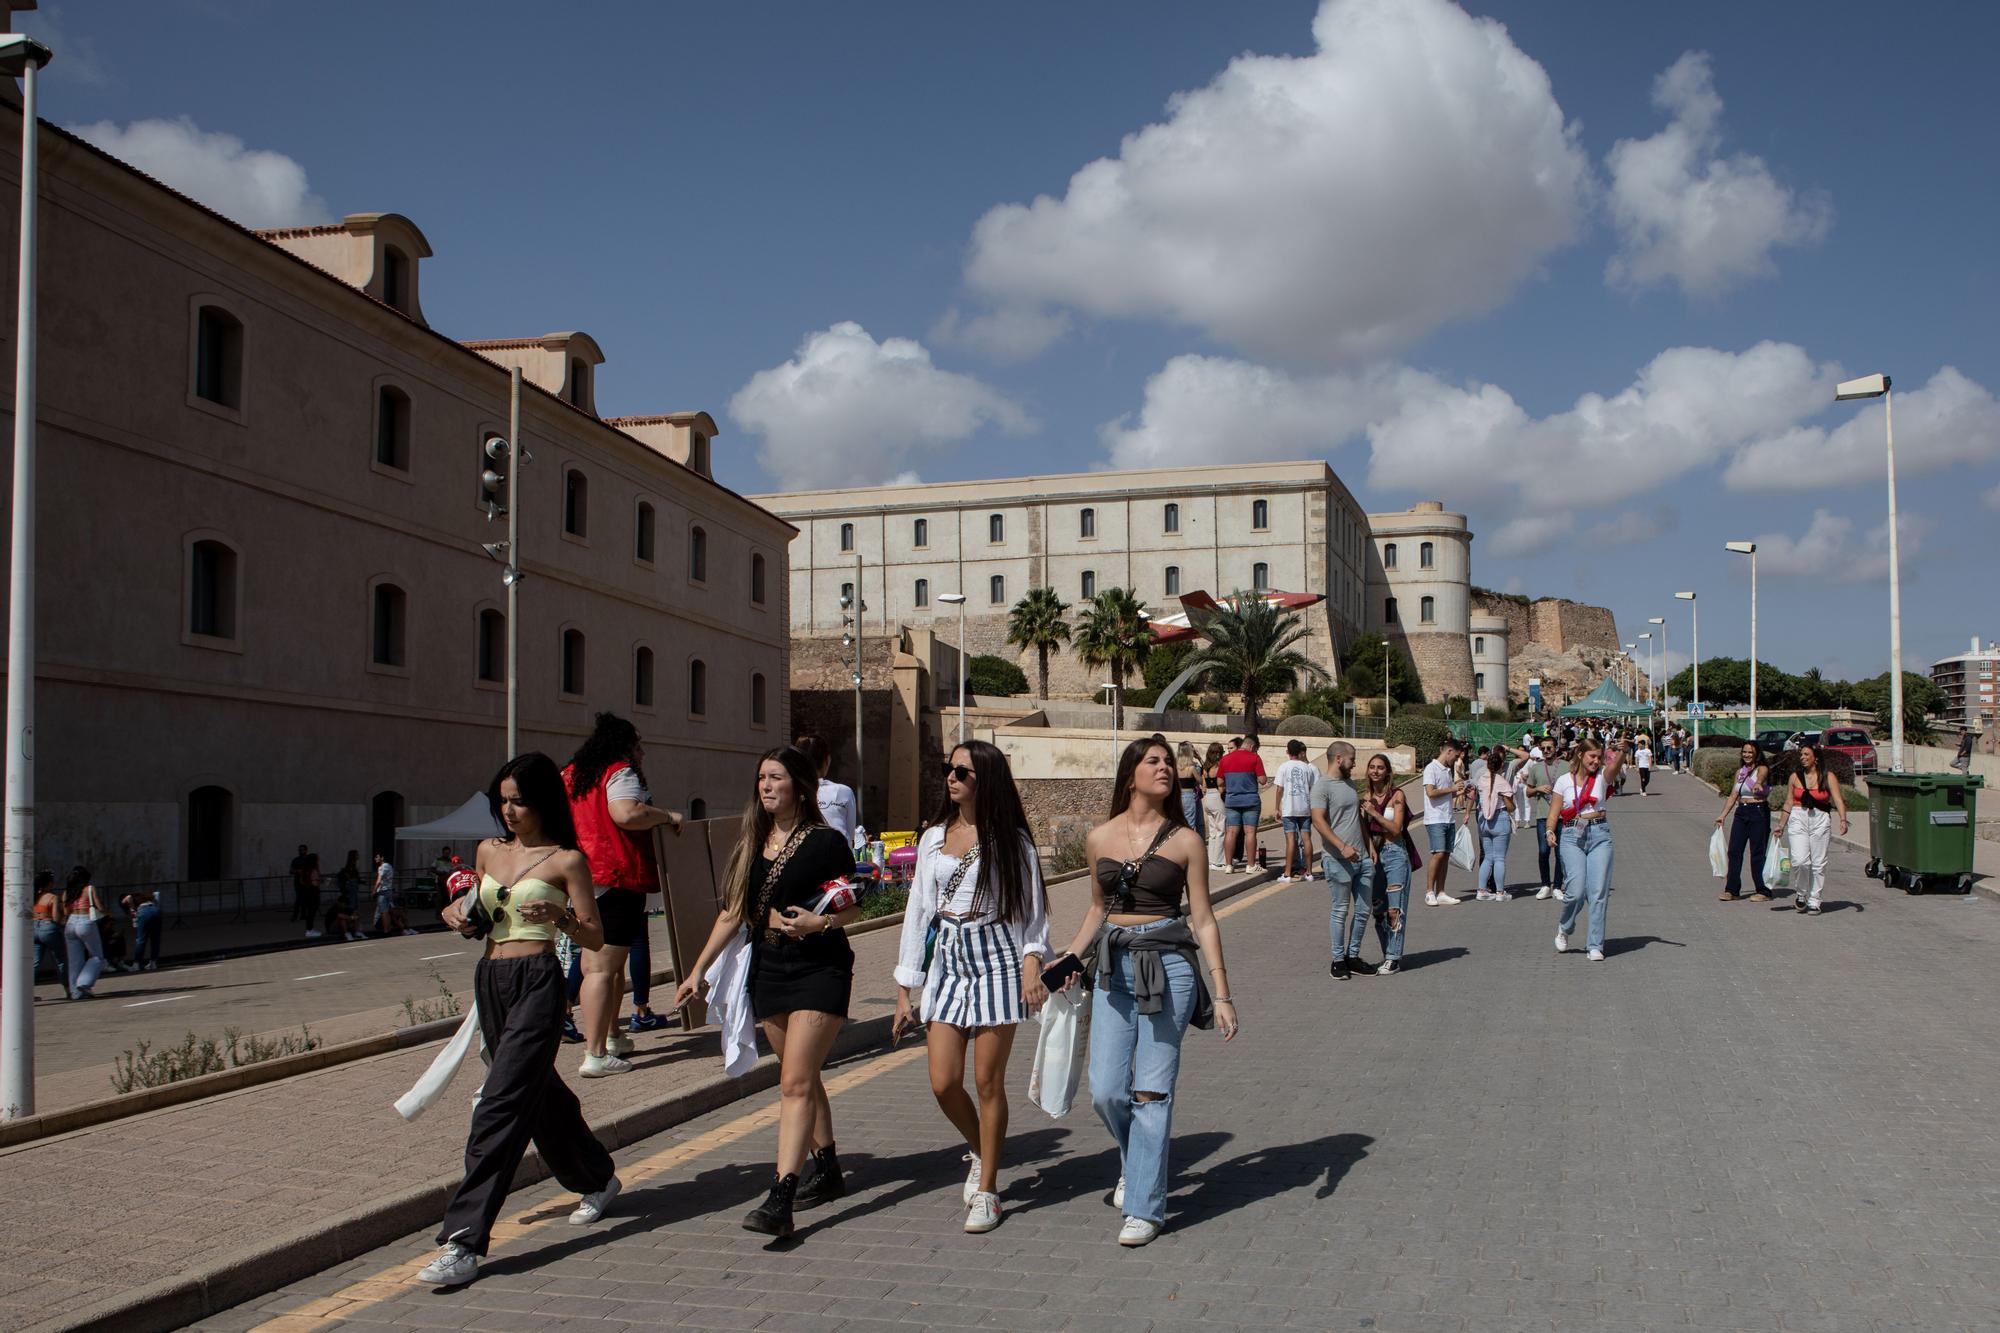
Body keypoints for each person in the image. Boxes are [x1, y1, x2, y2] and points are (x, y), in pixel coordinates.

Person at [417, 752, 620, 1289]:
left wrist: (561, 917)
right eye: (501, 800)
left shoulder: (566, 860)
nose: (508, 811)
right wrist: (455, 914)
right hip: (491, 980)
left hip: (538, 979)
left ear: (542, 802)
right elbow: (478, 916)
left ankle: (462, 1242)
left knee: (500, 1101)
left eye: (519, 801)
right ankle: (597, 1176)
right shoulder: (487, 851)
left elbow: (595, 937)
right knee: (537, 1094)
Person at [1046, 737, 1237, 1246]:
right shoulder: (1098, 838)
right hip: (1113, 967)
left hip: (1168, 966)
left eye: (1169, 762)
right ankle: (1141, 1163)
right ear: (1130, 774)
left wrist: (1220, 992)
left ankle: (1146, 1207)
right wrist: (1069, 955)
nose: (1165, 768)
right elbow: (1096, 908)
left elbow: (1203, 918)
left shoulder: (1185, 841)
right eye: (1153, 761)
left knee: (1151, 1091)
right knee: (1106, 1090)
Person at [674, 746, 862, 1240]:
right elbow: (732, 912)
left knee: (794, 1084)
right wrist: (698, 970)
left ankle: (781, 1196)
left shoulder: (825, 841)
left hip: (820, 967)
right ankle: (829, 1167)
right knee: (801, 1076)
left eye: (775, 777)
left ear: (799, 784)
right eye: (761, 778)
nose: (766, 786)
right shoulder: (751, 841)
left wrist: (820, 922)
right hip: (771, 969)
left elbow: (854, 903)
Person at [892, 740, 1050, 1234]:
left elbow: (1033, 910)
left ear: (986, 779)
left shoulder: (1013, 841)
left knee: (986, 1082)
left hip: (998, 957)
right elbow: (918, 912)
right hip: (949, 960)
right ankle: (983, 1147)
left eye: (962, 770)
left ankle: (988, 1189)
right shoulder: (935, 836)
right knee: (942, 1082)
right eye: (948, 769)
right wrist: (905, 988)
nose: (951, 777)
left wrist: (1032, 962)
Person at [564, 713, 685, 1078]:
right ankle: (596, 1053)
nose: (642, 753)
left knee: (609, 966)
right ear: (623, 747)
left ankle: (613, 1035)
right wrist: (667, 816)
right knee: (600, 968)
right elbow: (626, 813)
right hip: (616, 876)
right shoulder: (619, 772)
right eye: (638, 745)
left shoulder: (570, 774)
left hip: (584, 876)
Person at [1547, 740, 1625, 961]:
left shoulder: (1601, 778)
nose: (1596, 761)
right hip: (1572, 837)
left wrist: (1622, 750)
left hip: (1600, 835)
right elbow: (1554, 812)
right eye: (1592, 756)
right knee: (1576, 891)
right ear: (1580, 755)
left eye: (1599, 757)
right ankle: (1565, 927)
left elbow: (1615, 767)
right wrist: (1550, 831)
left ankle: (1595, 944)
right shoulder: (1563, 781)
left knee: (1598, 892)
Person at [1310, 742, 1370, 979]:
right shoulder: (1321, 787)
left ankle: (1352, 956)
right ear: (1338, 758)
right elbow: (1318, 820)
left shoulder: (1349, 783)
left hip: (1362, 858)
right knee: (1340, 910)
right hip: (1337, 859)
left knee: (1364, 910)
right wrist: (1342, 846)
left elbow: (1356, 818)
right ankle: (1338, 960)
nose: (1355, 763)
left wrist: (1369, 848)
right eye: (1351, 758)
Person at [1776, 743, 1847, 915]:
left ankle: (1815, 900)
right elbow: (1788, 801)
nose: (1803, 757)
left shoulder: (1827, 777)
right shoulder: (1795, 777)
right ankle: (1801, 894)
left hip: (1820, 819)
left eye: (1807, 754)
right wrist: (1781, 825)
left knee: (1818, 863)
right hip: (1798, 818)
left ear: (1815, 757)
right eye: (1801, 754)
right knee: (1800, 861)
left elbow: (1838, 800)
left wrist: (1843, 820)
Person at [1715, 742, 1775, 902]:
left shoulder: (1762, 768)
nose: (1747, 755)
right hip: (1741, 812)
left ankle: (1763, 891)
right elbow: (1733, 796)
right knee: (1734, 851)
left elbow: (1761, 777)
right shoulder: (1740, 772)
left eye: (1750, 752)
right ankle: (1732, 890)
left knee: (1757, 853)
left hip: (1758, 812)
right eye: (1745, 752)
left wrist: (1758, 783)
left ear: (1756, 754)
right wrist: (1723, 815)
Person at [1420, 738, 1466, 906]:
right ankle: (1429, 891)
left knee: (1446, 855)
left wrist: (1460, 791)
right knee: (1438, 853)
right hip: (1435, 819)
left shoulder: (1446, 770)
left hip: (1448, 817)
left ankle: (1441, 891)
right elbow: (1431, 792)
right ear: (1449, 751)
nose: (1455, 759)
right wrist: (1452, 789)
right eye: (1455, 756)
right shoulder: (1431, 768)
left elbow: (1447, 794)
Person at [794, 735, 859, 850]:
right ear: (827, 760)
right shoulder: (843, 792)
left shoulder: (791, 792)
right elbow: (849, 835)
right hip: (839, 860)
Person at [1214, 738, 1266, 873]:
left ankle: (1228, 865)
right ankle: (1250, 865)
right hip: (1250, 800)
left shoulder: (1225, 759)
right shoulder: (1255, 758)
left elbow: (1219, 782)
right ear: (1252, 746)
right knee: (1250, 832)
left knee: (1231, 832)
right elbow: (1263, 780)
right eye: (1255, 749)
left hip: (1232, 800)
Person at [1516, 745, 1562, 899]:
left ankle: (1557, 886)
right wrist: (1538, 789)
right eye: (1543, 748)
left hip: (1563, 816)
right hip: (1543, 815)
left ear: (1556, 748)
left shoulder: (1567, 766)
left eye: (1550, 747)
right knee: (1544, 851)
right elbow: (1528, 792)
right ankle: (1544, 885)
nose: (1547, 750)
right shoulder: (1536, 768)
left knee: (1561, 853)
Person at [1473, 748, 1516, 901]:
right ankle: (1500, 892)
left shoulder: (1481, 779)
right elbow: (1511, 807)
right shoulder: (1502, 782)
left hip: (1483, 821)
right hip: (1500, 819)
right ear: (1501, 765)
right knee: (1499, 858)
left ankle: (1481, 890)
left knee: (1488, 857)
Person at [1274, 740, 1318, 883]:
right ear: (1300, 751)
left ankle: (1287, 874)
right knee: (1306, 839)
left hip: (1289, 808)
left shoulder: (1283, 767)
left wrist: (1276, 807)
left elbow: (1279, 789)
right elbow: (1312, 788)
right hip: (1304, 807)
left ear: (1287, 751)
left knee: (1291, 840)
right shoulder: (1307, 768)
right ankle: (1309, 872)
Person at [61, 866, 108, 1000]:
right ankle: (84, 983)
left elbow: (65, 912)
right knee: (97, 957)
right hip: (85, 921)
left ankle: (75, 992)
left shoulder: (67, 892)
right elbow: (99, 906)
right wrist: (106, 913)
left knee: (74, 960)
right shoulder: (89, 889)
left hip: (70, 923)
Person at [32, 870, 65, 990]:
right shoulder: (52, 897)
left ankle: (27, 991)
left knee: (35, 962)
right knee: (60, 960)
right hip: (48, 928)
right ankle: (68, 989)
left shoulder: (33, 896)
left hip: (34, 928)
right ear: (49, 883)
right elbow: (56, 918)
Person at [1199, 741, 1227, 870]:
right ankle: (1219, 861)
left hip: (1207, 798)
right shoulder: (1219, 766)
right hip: (1216, 796)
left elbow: (1203, 787)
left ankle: (1211, 860)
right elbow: (1221, 785)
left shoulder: (1205, 767)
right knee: (1221, 829)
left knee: (1212, 831)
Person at [1174, 741, 1207, 847]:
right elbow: (1201, 781)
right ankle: (1191, 847)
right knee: (1190, 823)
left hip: (1179, 795)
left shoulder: (1176, 766)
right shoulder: (1192, 768)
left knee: (1181, 823)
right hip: (1189, 795)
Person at [124, 888, 162, 971]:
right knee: (155, 939)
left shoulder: (129, 897)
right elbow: (156, 894)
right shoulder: (145, 896)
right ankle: (153, 963)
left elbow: (127, 899)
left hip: (144, 912)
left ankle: (136, 964)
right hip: (156, 911)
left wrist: (131, 908)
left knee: (141, 939)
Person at [334, 851, 364, 940]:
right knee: (351, 911)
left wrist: (361, 881)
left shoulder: (354, 868)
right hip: (349, 894)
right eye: (357, 855)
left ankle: (356, 931)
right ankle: (350, 932)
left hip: (353, 893)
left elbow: (357, 879)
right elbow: (344, 880)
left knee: (356, 912)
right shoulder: (347, 869)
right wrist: (345, 890)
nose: (358, 856)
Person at [300, 851, 324, 939]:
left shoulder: (305, 870)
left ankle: (310, 929)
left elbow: (301, 881)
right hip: (313, 892)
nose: (318, 861)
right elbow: (315, 883)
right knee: (311, 912)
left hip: (307, 892)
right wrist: (320, 881)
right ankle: (309, 930)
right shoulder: (313, 870)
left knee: (309, 912)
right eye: (317, 860)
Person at [288, 844, 313, 927]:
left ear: (306, 850)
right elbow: (291, 871)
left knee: (306, 899)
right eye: (299, 850)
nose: (300, 851)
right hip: (298, 882)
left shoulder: (309, 860)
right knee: (299, 898)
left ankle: (303, 915)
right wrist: (297, 871)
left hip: (307, 881)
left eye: (302, 850)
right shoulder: (296, 860)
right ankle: (295, 916)